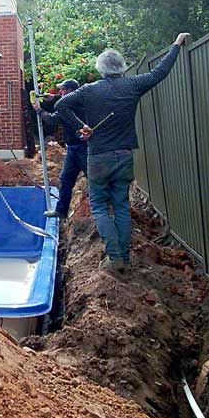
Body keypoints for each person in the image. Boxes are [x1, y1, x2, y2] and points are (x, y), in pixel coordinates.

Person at [54, 32, 190, 272]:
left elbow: (61, 105)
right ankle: (124, 258)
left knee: (98, 206)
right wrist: (176, 45)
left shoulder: (89, 90)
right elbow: (160, 73)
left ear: (101, 69)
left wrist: (80, 126)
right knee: (120, 206)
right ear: (122, 67)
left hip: (97, 157)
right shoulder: (133, 85)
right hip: (124, 156)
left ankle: (114, 257)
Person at [33, 79, 87, 219]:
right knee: (65, 179)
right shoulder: (81, 101)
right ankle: (61, 211)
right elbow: (66, 99)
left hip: (81, 148)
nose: (60, 92)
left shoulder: (66, 108)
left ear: (69, 91)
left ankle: (95, 210)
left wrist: (39, 111)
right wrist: (53, 98)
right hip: (74, 148)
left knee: (91, 179)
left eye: (62, 90)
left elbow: (52, 119)